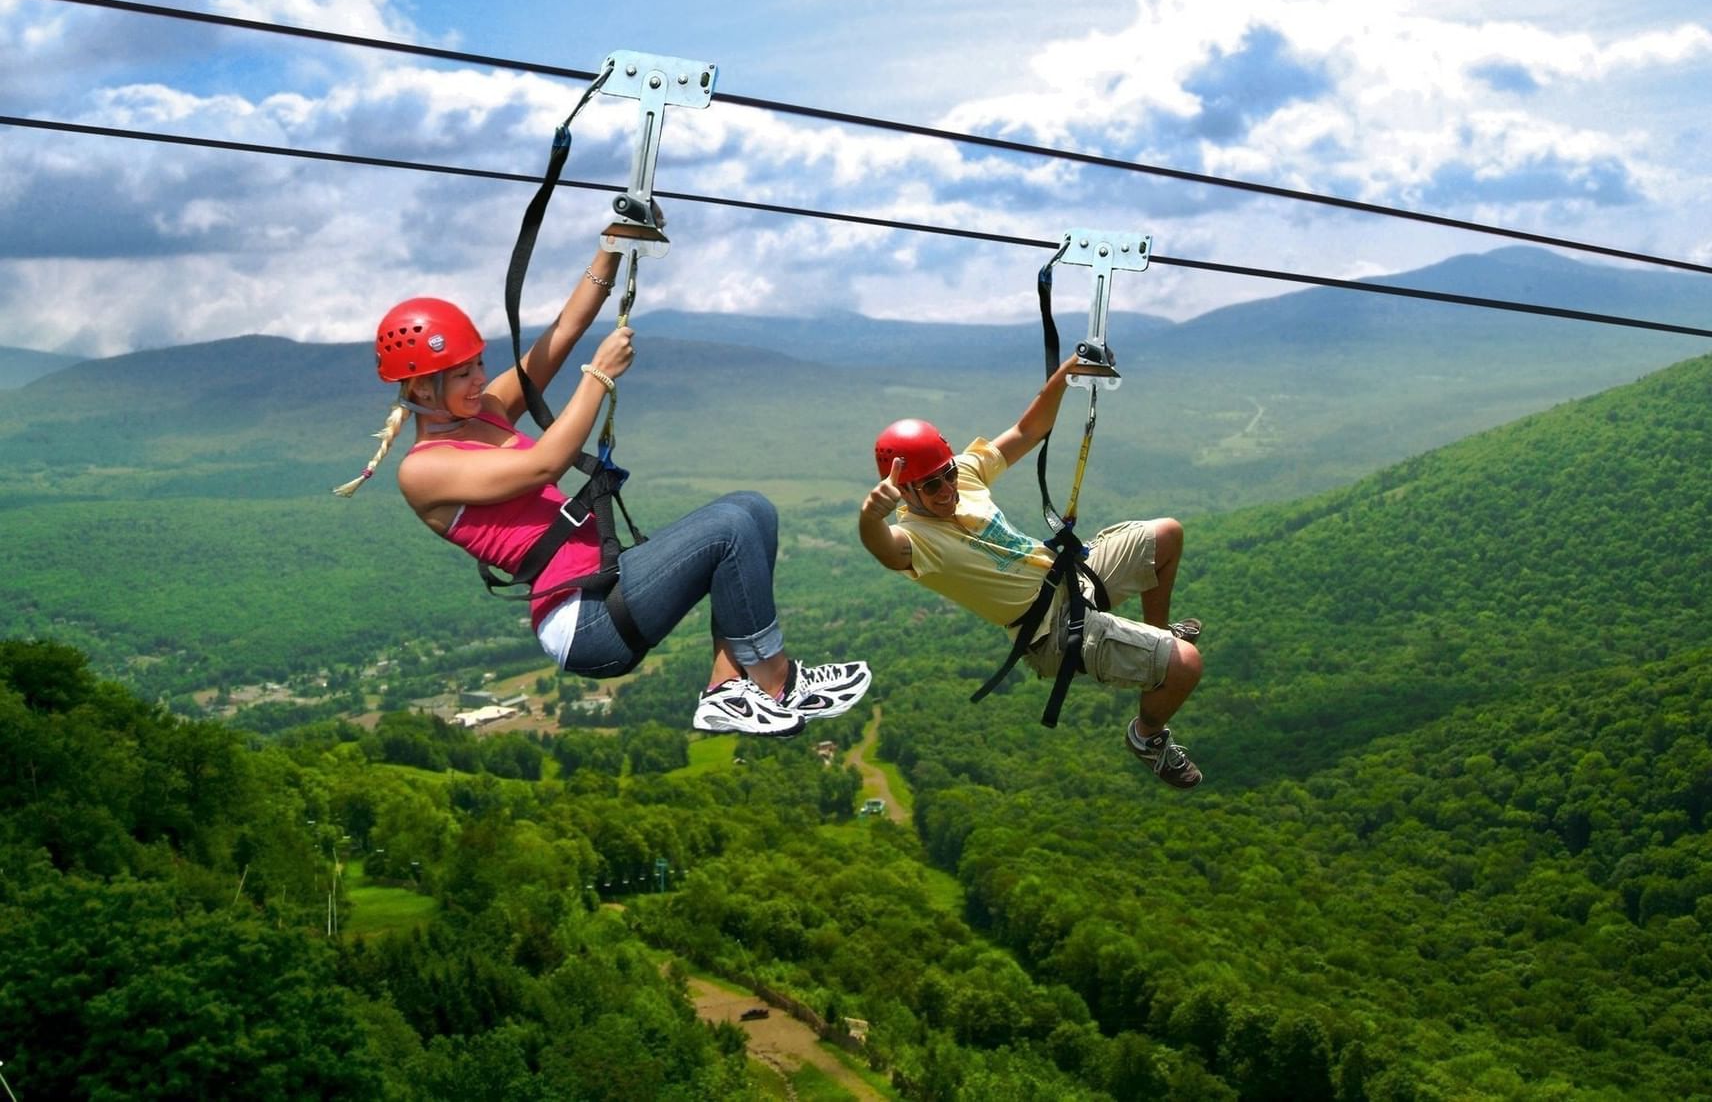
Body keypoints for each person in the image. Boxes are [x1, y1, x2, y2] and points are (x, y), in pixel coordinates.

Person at [336, 241, 870, 737]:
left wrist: (611, 245)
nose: (480, 378)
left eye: (478, 364)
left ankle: (728, 688)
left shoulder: (488, 412)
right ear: (421, 387)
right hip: (583, 623)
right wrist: (600, 377)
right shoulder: (425, 469)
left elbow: (564, 331)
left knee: (752, 510)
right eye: (461, 374)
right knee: (730, 529)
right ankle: (780, 681)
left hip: (604, 588)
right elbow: (546, 465)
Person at [859, 357, 1204, 787]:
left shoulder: (963, 475)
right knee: (1186, 665)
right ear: (904, 492)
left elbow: (1027, 431)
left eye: (946, 474)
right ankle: (1147, 737)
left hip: (1070, 580)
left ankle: (1157, 636)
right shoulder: (916, 540)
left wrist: (1067, 374)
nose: (947, 489)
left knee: (1167, 535)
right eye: (931, 486)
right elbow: (887, 552)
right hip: (1050, 632)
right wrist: (872, 519)